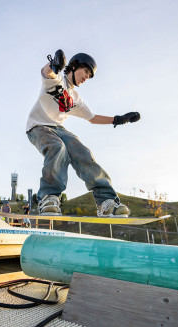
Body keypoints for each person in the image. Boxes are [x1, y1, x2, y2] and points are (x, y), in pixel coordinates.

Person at [26, 50, 140, 217]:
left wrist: (119, 119)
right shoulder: (55, 80)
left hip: (58, 128)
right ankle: (49, 198)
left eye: (90, 75)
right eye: (85, 71)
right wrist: (54, 64)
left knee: (83, 152)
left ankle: (105, 202)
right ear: (74, 66)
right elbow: (46, 72)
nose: (87, 77)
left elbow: (92, 118)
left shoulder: (75, 99)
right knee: (58, 148)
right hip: (38, 126)